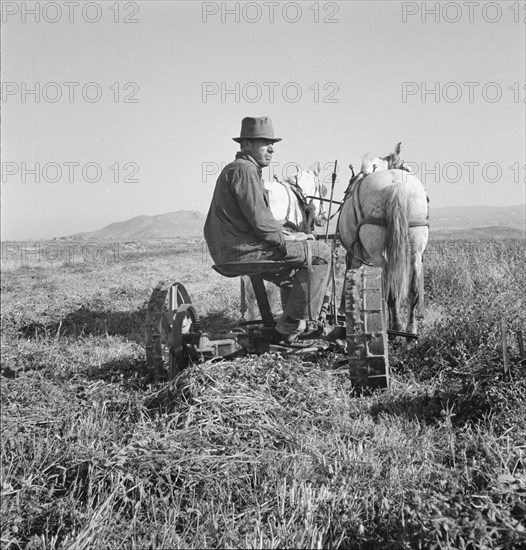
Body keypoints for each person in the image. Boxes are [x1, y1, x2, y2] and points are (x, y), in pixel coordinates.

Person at [204, 116, 331, 343]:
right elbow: (262, 224)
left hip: (231, 249)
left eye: (272, 143)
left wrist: (291, 235)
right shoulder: (245, 171)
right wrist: (289, 240)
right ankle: (293, 321)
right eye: (263, 142)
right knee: (322, 253)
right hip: (244, 251)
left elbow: (256, 220)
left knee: (293, 273)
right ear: (246, 145)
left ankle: (291, 326)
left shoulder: (239, 170)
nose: (271, 149)